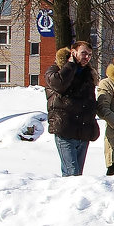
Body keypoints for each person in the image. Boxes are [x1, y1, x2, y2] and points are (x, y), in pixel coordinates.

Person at [44, 41, 100, 176]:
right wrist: (70, 64)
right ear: (73, 53)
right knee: (72, 174)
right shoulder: (55, 70)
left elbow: (90, 101)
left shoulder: (88, 75)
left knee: (78, 175)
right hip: (65, 130)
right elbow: (58, 85)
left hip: (83, 132)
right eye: (83, 53)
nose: (87, 57)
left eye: (90, 55)